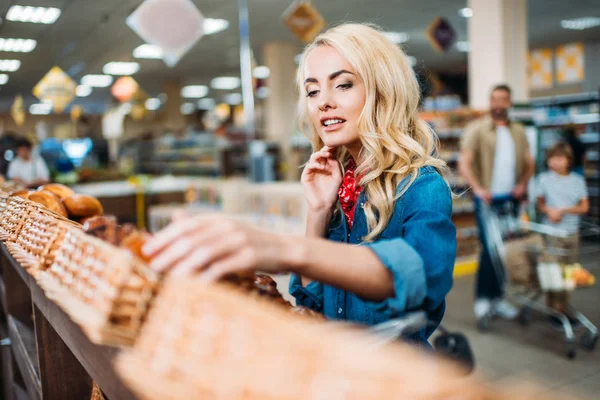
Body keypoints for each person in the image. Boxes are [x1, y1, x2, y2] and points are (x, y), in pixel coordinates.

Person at [141, 24, 456, 346]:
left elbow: (422, 279)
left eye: (343, 84)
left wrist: (285, 249)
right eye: (313, 90)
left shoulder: (421, 186)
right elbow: (311, 304)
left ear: (383, 90)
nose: (323, 103)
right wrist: (317, 212)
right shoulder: (341, 187)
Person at [458, 84, 535, 322]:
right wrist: (479, 189)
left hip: (510, 200)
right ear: (490, 102)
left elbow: (529, 161)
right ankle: (484, 300)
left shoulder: (518, 131)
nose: (499, 104)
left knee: (505, 251)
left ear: (509, 103)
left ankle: (498, 298)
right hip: (488, 201)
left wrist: (523, 183)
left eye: (503, 99)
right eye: (495, 99)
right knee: (489, 250)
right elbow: (465, 163)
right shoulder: (478, 129)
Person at [536, 142, 588, 323]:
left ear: (568, 160)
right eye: (552, 158)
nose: (555, 162)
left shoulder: (578, 181)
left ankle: (564, 308)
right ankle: (554, 310)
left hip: (572, 233)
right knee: (553, 272)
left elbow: (584, 206)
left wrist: (564, 210)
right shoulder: (543, 179)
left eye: (560, 158)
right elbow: (540, 204)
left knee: (569, 272)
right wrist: (548, 210)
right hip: (552, 233)